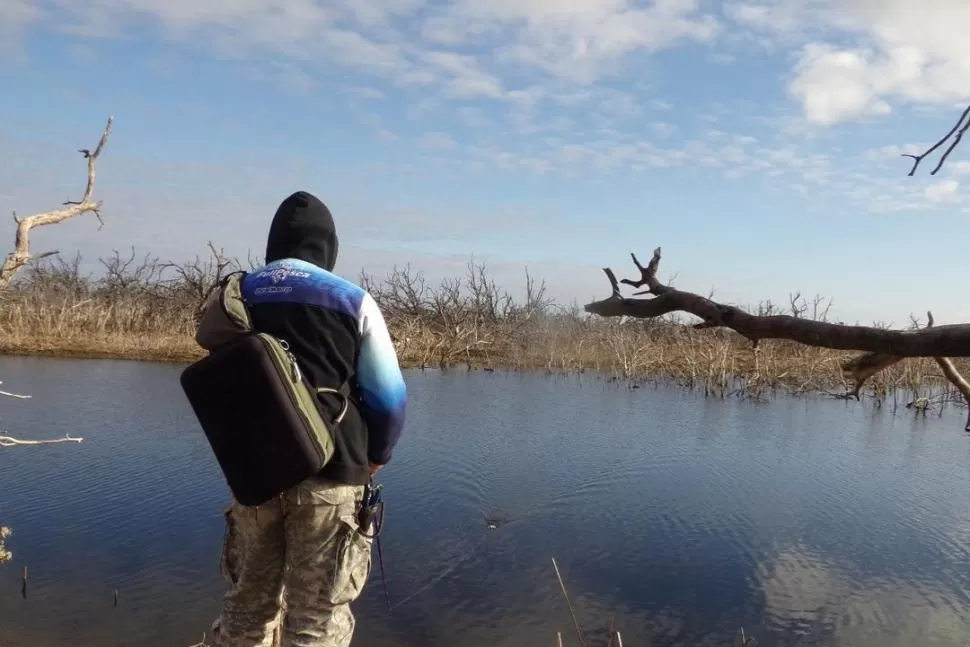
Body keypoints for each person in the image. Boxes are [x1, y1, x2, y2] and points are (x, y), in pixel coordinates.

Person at [200, 190, 407, 647]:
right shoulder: (352, 300)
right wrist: (377, 456)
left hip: (254, 475)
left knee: (247, 607)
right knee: (316, 618)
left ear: (274, 240)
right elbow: (389, 398)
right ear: (328, 245)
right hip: (332, 474)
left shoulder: (238, 293)